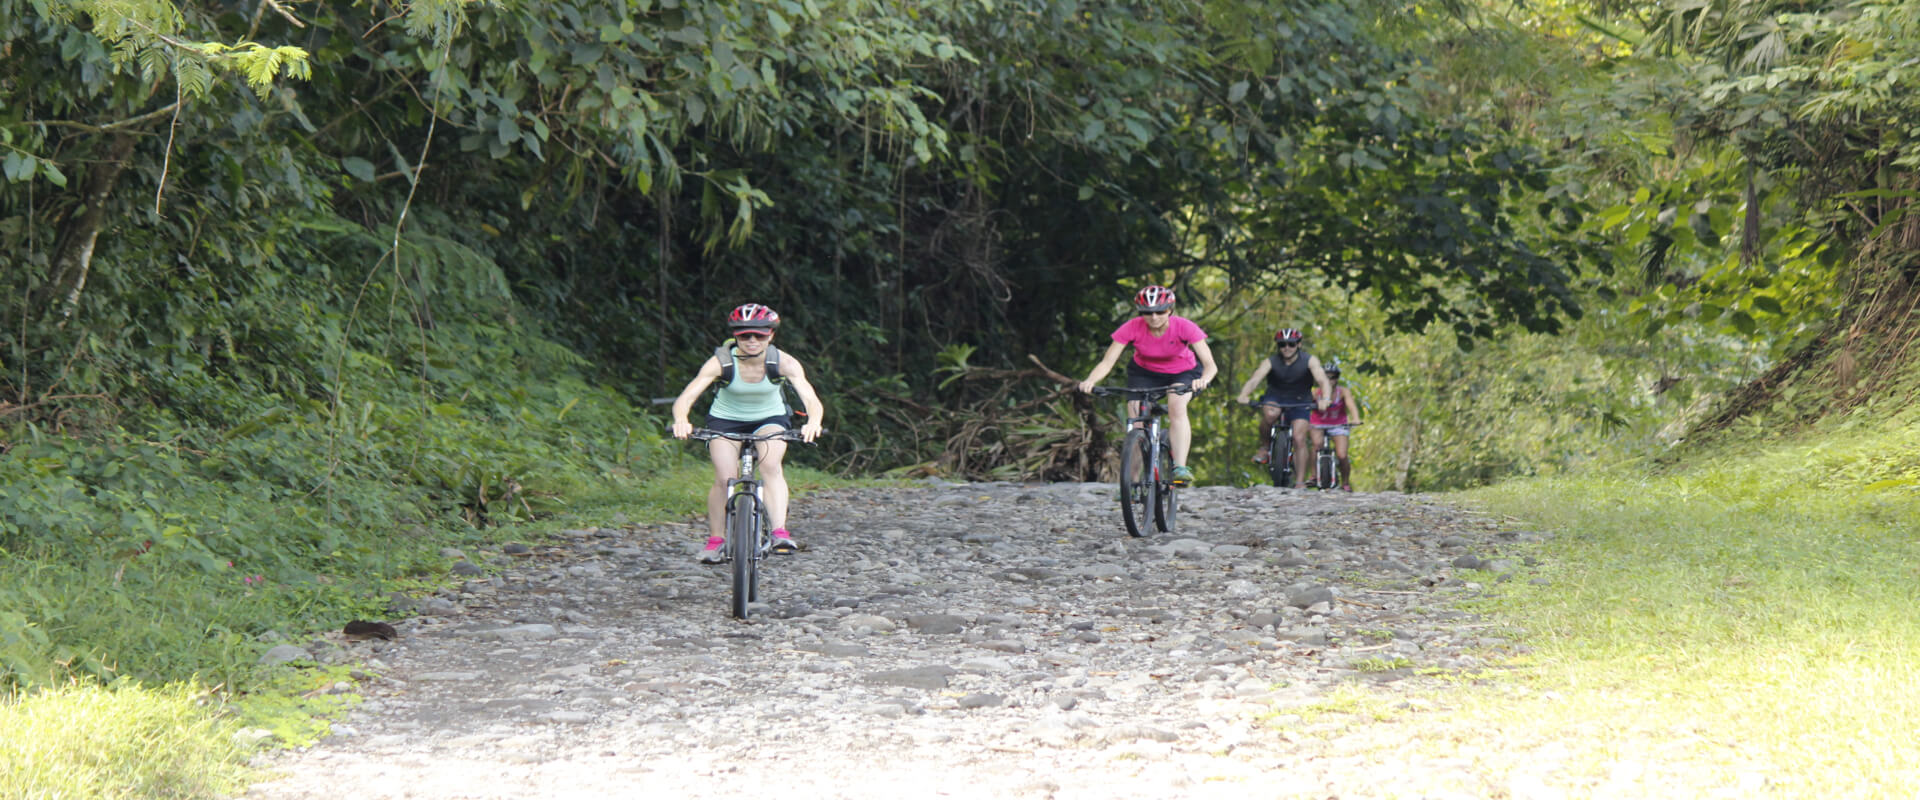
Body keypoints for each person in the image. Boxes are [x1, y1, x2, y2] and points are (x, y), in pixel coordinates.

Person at [670, 303, 825, 563]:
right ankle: (716, 541)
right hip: (725, 421)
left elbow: (811, 399)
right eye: (744, 335)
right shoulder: (721, 362)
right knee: (725, 477)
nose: (752, 340)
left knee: (771, 466)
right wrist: (681, 419)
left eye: (759, 335)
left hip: (770, 419)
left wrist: (814, 422)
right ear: (735, 336)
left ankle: (779, 533)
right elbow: (687, 397)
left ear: (771, 335)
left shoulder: (783, 362)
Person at [1076, 285, 1219, 487]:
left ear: (1170, 310)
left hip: (1183, 372)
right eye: (1147, 313)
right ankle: (1131, 483)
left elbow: (1211, 365)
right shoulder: (1132, 327)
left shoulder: (1185, 326)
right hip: (1144, 373)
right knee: (1136, 423)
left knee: (1176, 407)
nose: (1153, 317)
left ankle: (1180, 467)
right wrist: (1090, 381)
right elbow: (1107, 362)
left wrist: (1203, 379)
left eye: (1160, 311)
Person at [1233, 328, 1332, 489]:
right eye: (1282, 344)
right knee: (1270, 415)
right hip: (1275, 397)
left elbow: (1322, 380)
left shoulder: (1309, 360)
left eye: (1291, 344)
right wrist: (1244, 394)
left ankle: (1300, 481)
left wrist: (1326, 398)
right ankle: (1265, 447)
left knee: (1299, 438)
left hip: (1300, 400)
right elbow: (1255, 378)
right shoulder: (1270, 361)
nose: (1286, 348)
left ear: (1298, 345)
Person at [1309, 365, 1361, 492]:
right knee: (1316, 445)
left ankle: (1345, 482)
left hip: (1339, 425)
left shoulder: (1343, 392)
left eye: (1333, 377)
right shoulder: (1315, 392)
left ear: (1337, 379)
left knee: (1342, 455)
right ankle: (1314, 476)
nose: (1330, 380)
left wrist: (1355, 419)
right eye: (1327, 377)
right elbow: (1304, 405)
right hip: (1318, 424)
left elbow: (1351, 406)